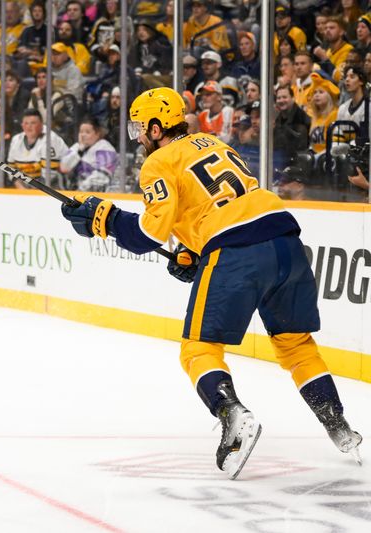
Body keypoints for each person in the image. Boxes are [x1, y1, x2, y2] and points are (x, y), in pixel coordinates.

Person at [59, 87, 363, 479]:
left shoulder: (159, 162)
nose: (137, 136)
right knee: (296, 345)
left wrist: (106, 218)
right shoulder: (212, 142)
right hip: (286, 243)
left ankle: (232, 414)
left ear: (155, 127)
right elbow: (214, 204)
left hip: (237, 251)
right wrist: (193, 250)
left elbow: (149, 235)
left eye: (139, 127)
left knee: (198, 348)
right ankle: (337, 425)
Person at [7, 108, 68, 189]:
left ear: (41, 124)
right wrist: (23, 190)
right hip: (26, 189)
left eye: (33, 123)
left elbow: (49, 177)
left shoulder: (50, 139)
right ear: (22, 125)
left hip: (52, 190)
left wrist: (33, 195)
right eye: (26, 123)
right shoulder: (16, 140)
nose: (29, 126)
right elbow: (11, 168)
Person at [59, 116, 117, 191]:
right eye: (81, 132)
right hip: (76, 194)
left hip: (97, 196)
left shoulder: (105, 148)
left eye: (87, 132)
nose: (83, 135)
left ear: (97, 134)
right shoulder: (77, 147)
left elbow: (101, 179)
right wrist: (79, 151)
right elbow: (64, 168)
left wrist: (79, 191)